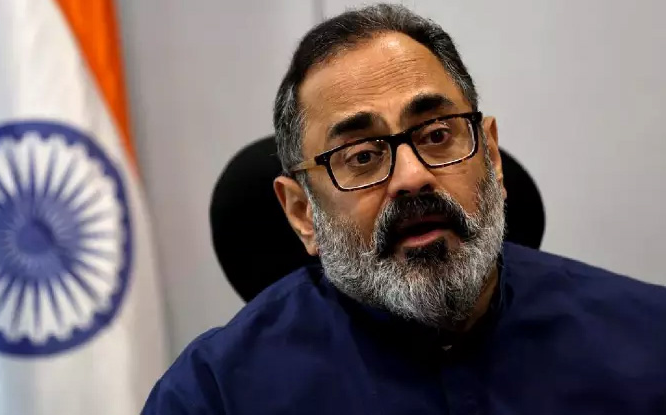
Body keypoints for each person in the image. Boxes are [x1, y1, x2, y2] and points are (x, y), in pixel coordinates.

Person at [142, 4, 666, 414]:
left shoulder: (649, 339)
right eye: (362, 156)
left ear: (491, 156)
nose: (412, 176)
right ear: (301, 212)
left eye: (437, 135)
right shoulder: (214, 396)